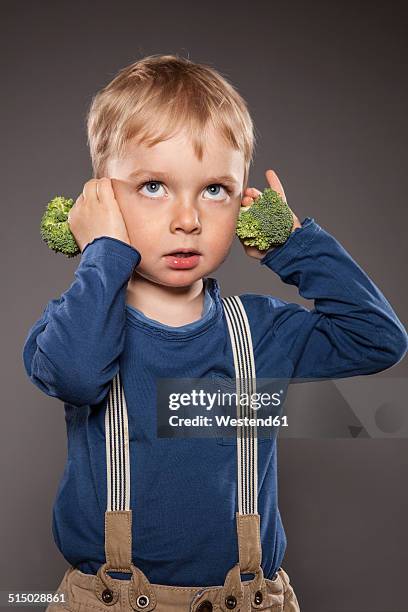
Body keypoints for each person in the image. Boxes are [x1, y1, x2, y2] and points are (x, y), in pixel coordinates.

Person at [22, 54, 407, 612]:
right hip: (107, 600)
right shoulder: (71, 325)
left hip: (249, 599)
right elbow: (78, 374)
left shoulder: (260, 329)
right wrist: (102, 251)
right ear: (100, 199)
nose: (188, 219)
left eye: (215, 190)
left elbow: (378, 338)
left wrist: (293, 245)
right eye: (153, 186)